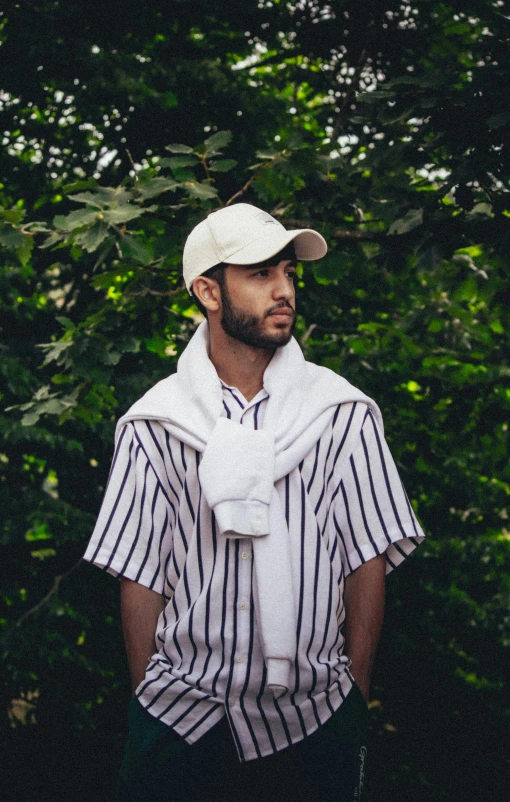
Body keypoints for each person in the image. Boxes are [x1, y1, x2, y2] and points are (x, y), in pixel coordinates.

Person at [84, 203, 424, 802]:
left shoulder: (341, 414)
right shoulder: (156, 423)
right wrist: (149, 700)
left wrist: (354, 697)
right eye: (261, 274)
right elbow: (140, 572)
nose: (284, 290)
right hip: (181, 718)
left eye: (289, 273)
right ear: (209, 292)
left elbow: (365, 559)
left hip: (313, 719)